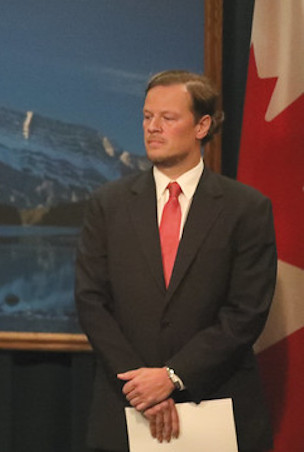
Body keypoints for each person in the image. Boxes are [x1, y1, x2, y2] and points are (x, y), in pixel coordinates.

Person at [75, 70, 276, 451]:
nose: (153, 128)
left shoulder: (246, 209)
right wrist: (142, 387)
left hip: (215, 403)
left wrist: (173, 376)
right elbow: (91, 302)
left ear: (202, 125)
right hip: (126, 407)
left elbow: (246, 311)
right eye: (148, 117)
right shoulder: (108, 204)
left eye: (168, 118)